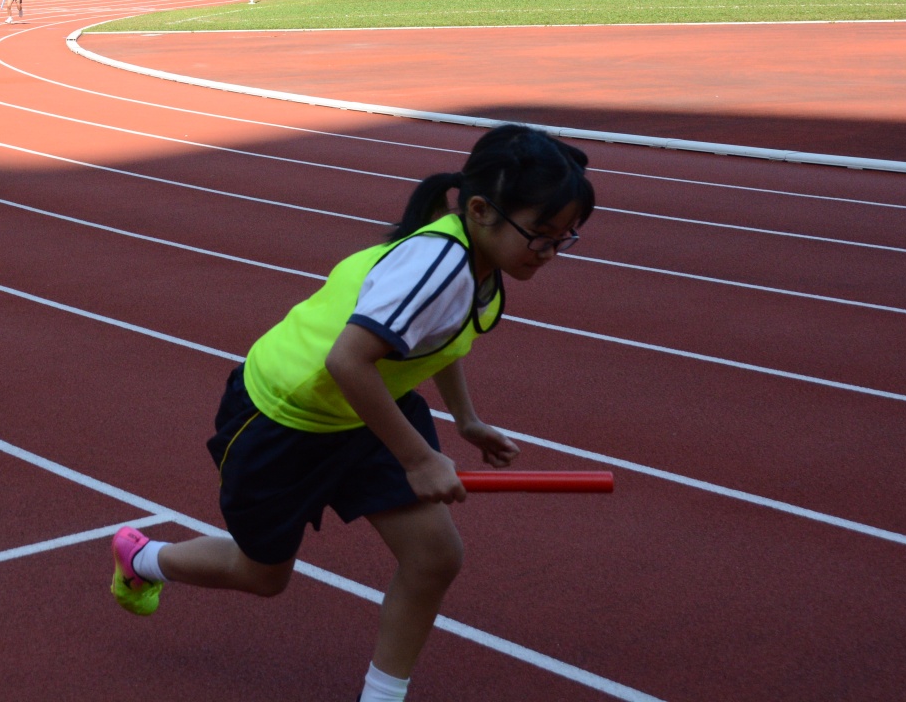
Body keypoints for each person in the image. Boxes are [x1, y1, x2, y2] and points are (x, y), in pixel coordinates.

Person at [107, 125, 595, 702]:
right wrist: (418, 460)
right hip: (284, 419)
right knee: (263, 576)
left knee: (434, 557)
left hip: (362, 410)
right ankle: (143, 557)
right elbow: (347, 360)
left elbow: (435, 340)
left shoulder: (479, 264)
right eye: (541, 235)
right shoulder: (437, 267)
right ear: (481, 210)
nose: (550, 252)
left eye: (565, 238)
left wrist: (465, 420)